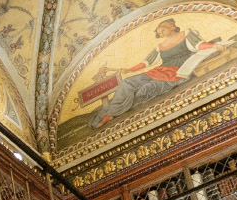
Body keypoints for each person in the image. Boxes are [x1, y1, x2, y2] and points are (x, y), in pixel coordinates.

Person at [79, 20, 226, 125]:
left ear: (172, 26)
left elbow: (199, 45)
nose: (159, 32)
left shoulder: (186, 34)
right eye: (158, 31)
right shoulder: (160, 46)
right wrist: (129, 70)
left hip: (177, 71)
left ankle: (110, 113)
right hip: (158, 71)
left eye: (162, 28)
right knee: (126, 83)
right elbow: (146, 63)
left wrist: (214, 46)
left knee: (145, 89)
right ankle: (110, 112)